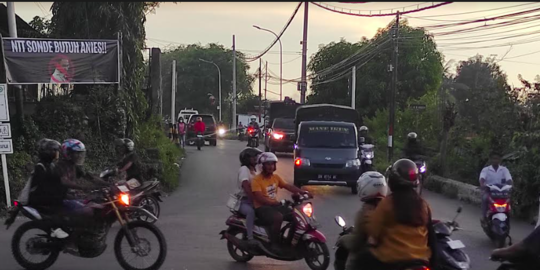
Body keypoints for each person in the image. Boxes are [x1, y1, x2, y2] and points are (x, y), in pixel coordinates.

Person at [359, 159, 437, 270]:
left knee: (361, 258)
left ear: (392, 180)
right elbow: (431, 236)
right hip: (421, 260)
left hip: (392, 261)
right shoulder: (423, 205)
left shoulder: (386, 204)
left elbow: (373, 231)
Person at [250, 152, 311, 254]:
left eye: (272, 164)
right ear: (262, 166)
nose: (271, 167)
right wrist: (273, 203)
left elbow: (288, 186)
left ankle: (289, 242)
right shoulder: (256, 180)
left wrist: (302, 192)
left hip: (274, 205)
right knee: (278, 217)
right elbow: (259, 198)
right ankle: (274, 244)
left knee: (295, 216)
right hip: (262, 208)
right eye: (268, 164)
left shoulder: (276, 177)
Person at [338, 171, 389, 270]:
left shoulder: (365, 212)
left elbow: (356, 242)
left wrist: (342, 239)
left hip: (375, 256)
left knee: (352, 262)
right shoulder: (390, 206)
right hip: (394, 253)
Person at [27, 138, 68, 238]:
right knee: (62, 205)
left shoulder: (50, 165)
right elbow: (44, 186)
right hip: (38, 198)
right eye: (55, 151)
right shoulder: (40, 166)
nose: (57, 153)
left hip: (45, 195)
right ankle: (56, 229)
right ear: (48, 152)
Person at [236, 148, 263, 247]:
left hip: (254, 199)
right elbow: (246, 186)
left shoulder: (255, 170)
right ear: (247, 159)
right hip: (244, 201)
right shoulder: (244, 169)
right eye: (253, 157)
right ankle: (250, 237)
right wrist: (253, 199)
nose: (256, 158)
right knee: (251, 212)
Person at [479, 151, 513, 224]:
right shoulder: (486, 170)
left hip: (502, 192)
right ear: (491, 160)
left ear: (500, 160)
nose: (495, 160)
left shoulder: (504, 169)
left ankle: (508, 214)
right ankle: (484, 216)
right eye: (494, 159)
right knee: (485, 198)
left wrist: (510, 185)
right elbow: (482, 178)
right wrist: (482, 184)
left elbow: (509, 179)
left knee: (509, 199)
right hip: (489, 191)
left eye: (497, 159)